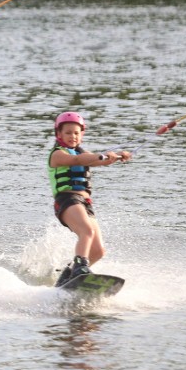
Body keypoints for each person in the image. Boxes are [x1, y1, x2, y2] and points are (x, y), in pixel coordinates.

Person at [48, 111, 131, 287]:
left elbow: (97, 161)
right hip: (67, 200)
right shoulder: (57, 154)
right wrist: (100, 156)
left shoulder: (83, 153)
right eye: (68, 132)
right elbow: (78, 159)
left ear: (81, 135)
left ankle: (68, 275)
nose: (73, 136)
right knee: (86, 231)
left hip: (85, 203)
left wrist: (116, 156)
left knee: (98, 251)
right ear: (59, 134)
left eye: (76, 133)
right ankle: (80, 267)